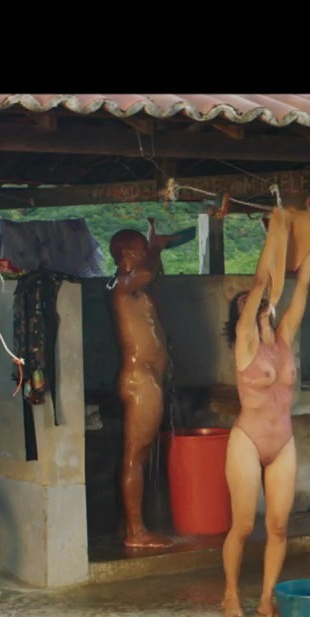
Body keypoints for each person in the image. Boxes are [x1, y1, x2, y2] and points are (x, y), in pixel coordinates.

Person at [221, 198, 310, 617]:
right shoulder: (245, 341)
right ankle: (231, 593)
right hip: (248, 440)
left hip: (282, 440)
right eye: (248, 302)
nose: (258, 301)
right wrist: (275, 231)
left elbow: (302, 286)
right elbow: (260, 281)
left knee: (279, 526)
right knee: (244, 526)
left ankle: (267, 598)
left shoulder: (283, 336)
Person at [108, 219, 192, 549]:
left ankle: (126, 523)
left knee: (139, 455)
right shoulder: (122, 284)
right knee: (136, 454)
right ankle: (136, 532)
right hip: (140, 381)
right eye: (143, 250)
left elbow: (152, 277)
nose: (148, 257)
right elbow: (146, 273)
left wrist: (157, 250)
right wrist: (157, 247)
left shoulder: (137, 290)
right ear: (130, 254)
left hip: (149, 380)